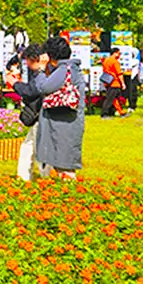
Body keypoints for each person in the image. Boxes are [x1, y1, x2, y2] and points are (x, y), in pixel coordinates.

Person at [33, 36, 86, 178]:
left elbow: (43, 87)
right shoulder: (71, 68)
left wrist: (41, 70)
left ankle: (68, 194)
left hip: (64, 125)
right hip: (66, 121)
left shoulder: (64, 69)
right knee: (63, 162)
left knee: (64, 164)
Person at [7, 44, 47, 182]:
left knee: (40, 150)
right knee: (27, 146)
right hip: (38, 116)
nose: (27, 65)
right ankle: (23, 176)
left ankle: (47, 178)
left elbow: (31, 91)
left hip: (41, 116)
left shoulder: (42, 73)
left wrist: (15, 84)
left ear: (33, 59)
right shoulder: (43, 70)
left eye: (27, 61)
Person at [100, 48, 124, 119]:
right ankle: (104, 114)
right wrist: (123, 83)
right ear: (115, 53)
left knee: (114, 99)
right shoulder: (115, 62)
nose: (120, 55)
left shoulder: (106, 60)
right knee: (110, 99)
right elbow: (119, 73)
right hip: (114, 82)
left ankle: (121, 112)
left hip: (107, 81)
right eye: (119, 53)